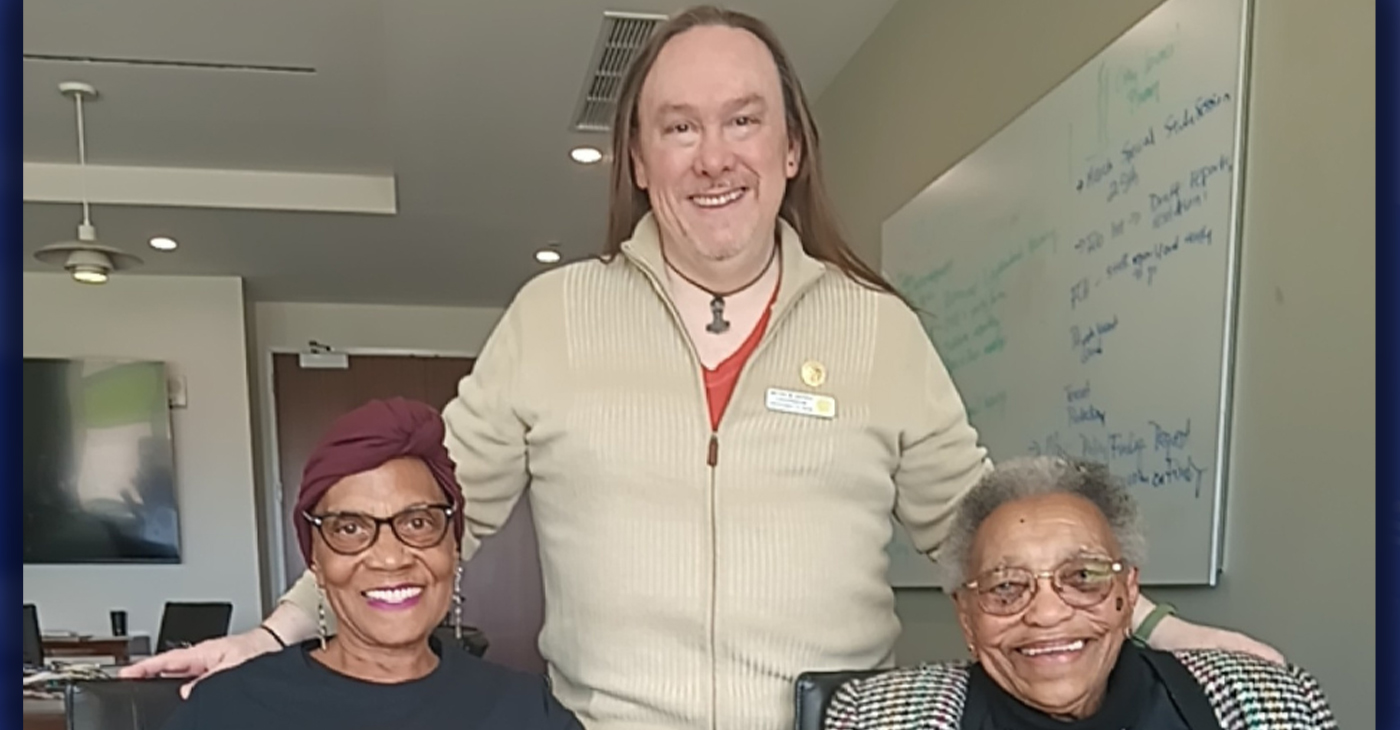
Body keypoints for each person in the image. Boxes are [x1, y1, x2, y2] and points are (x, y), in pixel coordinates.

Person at [124, 7, 1282, 729]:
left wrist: (1143, 626)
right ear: (639, 155)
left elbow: (974, 531)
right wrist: (275, 634)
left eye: (742, 122)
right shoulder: (553, 316)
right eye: (678, 125)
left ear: (788, 149)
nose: (712, 155)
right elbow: (436, 512)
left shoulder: (878, 331)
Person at [158, 399, 582, 730]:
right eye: (350, 529)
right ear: (317, 562)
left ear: (453, 549)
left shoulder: (527, 712)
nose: (390, 556)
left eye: (417, 522)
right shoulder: (227, 708)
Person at [824, 457, 1337, 730]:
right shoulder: (874, 719)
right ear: (966, 616)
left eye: (1083, 577)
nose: (1047, 613)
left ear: (1128, 590)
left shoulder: (1270, 707)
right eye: (1006, 587)